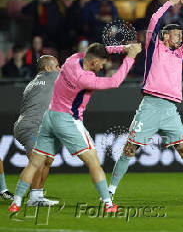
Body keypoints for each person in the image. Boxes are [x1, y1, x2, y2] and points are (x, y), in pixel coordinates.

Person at [109, 0, 183, 201]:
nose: (181, 37)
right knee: (130, 148)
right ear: (165, 36)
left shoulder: (180, 54)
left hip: (170, 109)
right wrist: (171, 2)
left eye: (180, 34)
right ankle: (111, 191)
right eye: (177, 34)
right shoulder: (155, 47)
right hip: (150, 105)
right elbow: (154, 19)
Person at [8, 42, 142, 213]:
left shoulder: (73, 59)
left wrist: (123, 47)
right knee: (93, 161)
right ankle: (108, 204)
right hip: (68, 120)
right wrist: (130, 57)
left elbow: (96, 50)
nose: (103, 66)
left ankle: (16, 203)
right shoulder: (85, 78)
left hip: (49, 117)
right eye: (102, 63)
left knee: (34, 163)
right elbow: (115, 82)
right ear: (93, 63)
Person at [13, 55, 60, 206]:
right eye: (56, 66)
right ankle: (32, 199)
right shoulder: (51, 76)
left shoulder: (32, 83)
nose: (59, 69)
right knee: (39, 159)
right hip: (30, 126)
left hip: (32, 126)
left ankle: (38, 196)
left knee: (47, 160)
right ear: (48, 68)